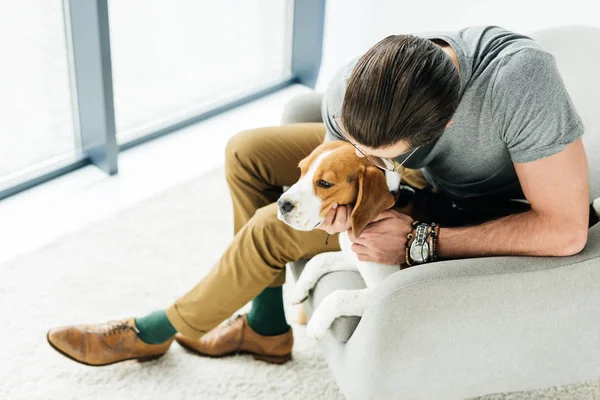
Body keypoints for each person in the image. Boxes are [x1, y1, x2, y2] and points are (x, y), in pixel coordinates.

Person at [46, 25, 589, 367]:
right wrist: (335, 196)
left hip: (466, 199)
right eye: (357, 140)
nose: (362, 152)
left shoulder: (519, 82)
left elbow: (565, 228)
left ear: (441, 124)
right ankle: (265, 327)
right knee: (247, 153)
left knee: (271, 225)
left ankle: (155, 329)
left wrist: (422, 241)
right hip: (404, 172)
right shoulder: (358, 83)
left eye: (381, 151)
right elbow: (339, 161)